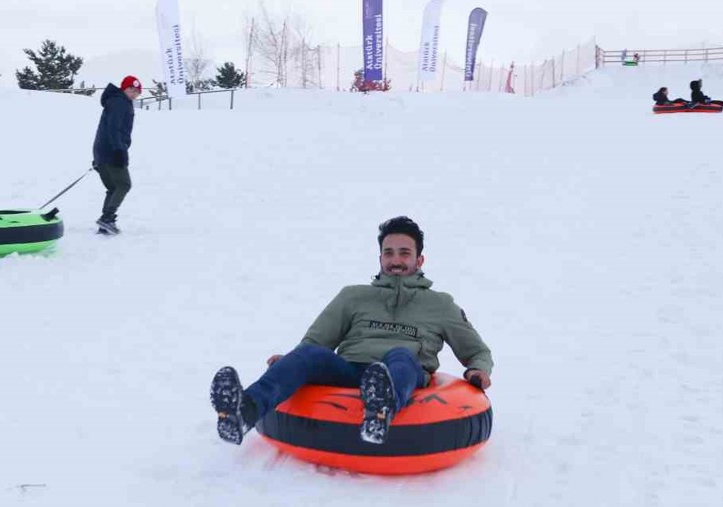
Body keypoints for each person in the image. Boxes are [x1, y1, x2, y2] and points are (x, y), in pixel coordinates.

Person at [211, 216, 494, 446]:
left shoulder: (440, 304)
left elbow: (476, 351)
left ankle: (380, 411)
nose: (395, 260)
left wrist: (478, 370)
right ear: (380, 257)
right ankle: (241, 413)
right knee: (309, 354)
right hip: (350, 371)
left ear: (419, 260)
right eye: (389, 253)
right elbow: (316, 341)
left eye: (404, 253)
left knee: (400, 354)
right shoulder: (353, 296)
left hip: (402, 371)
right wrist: (290, 362)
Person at [92, 75, 142, 235]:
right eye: (131, 90)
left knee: (113, 188)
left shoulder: (115, 101)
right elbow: (114, 129)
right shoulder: (120, 103)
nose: (134, 94)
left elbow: (107, 129)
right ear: (124, 88)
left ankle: (104, 223)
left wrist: (98, 156)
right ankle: (107, 218)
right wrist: (119, 150)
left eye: (137, 92)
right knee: (124, 185)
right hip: (112, 150)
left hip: (102, 150)